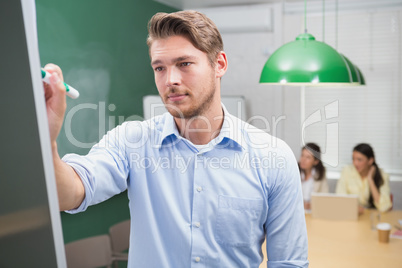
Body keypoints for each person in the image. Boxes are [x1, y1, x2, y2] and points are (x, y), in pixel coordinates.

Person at [44, 10, 308, 267]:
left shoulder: (274, 157)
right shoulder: (132, 141)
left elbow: (289, 263)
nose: (170, 80)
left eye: (184, 64)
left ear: (220, 64)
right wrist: (48, 139)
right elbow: (68, 194)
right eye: (160, 68)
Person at [336, 143, 392, 213]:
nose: (355, 163)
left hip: (373, 217)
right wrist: (354, 208)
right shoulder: (346, 171)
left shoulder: (383, 175)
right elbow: (340, 199)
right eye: (353, 159)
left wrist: (370, 180)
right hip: (351, 214)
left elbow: (384, 207)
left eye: (359, 160)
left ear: (370, 160)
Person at [298, 143, 329, 210]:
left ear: (316, 161)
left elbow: (325, 199)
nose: (303, 160)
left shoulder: (321, 174)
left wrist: (312, 205)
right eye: (302, 155)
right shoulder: (294, 172)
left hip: (313, 212)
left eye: (308, 157)